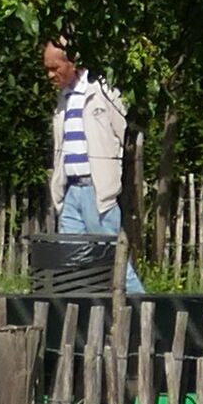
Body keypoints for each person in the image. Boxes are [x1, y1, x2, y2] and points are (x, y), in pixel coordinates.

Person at [42, 34, 128, 250]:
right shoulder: (64, 99)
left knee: (108, 260)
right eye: (47, 69)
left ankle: (132, 287)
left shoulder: (102, 91)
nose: (50, 75)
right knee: (71, 259)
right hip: (71, 191)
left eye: (55, 68)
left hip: (97, 192)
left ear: (72, 62)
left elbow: (125, 134)